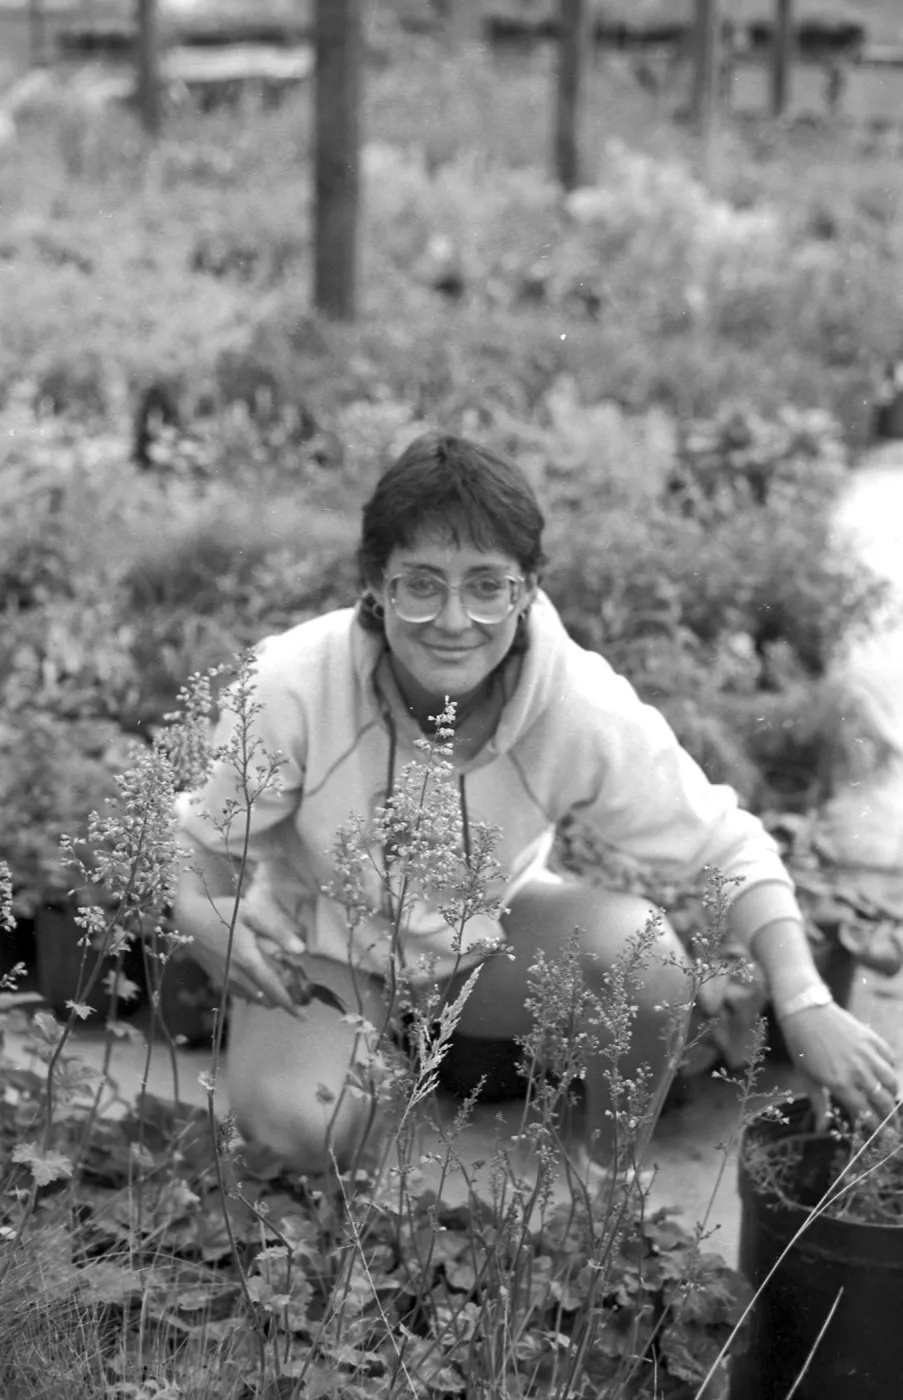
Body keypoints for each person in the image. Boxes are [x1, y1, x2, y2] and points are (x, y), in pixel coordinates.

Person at [173, 433, 899, 1173]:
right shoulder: (289, 682)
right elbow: (203, 848)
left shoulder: (576, 702)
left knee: (643, 962)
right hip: (322, 943)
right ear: (374, 582)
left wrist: (804, 998)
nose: (454, 621)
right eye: (421, 583)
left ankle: (608, 1187)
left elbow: (730, 844)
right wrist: (213, 919)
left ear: (525, 588)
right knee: (298, 1131)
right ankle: (342, 1107)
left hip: (485, 944)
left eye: (486, 584)